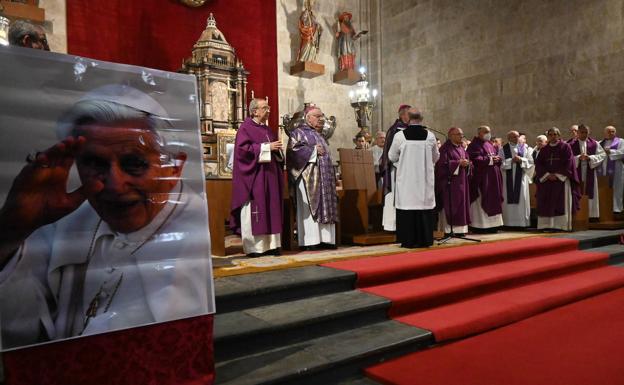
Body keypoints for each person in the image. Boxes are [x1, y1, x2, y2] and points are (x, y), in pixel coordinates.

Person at [0, 85, 212, 349]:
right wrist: (10, 233)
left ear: (173, 169)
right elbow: (22, 331)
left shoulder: (189, 227)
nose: (114, 184)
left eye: (134, 163)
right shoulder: (64, 218)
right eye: (96, 164)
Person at [230, 98, 284, 257]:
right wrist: (267, 147)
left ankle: (272, 245)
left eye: (268, 107)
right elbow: (242, 151)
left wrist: (278, 150)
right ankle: (255, 248)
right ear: (254, 111)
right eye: (264, 108)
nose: (268, 110)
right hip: (255, 177)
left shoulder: (268, 130)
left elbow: (276, 150)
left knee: (271, 208)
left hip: (270, 175)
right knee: (257, 209)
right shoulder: (245, 128)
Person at [287, 106, 338, 250]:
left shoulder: (320, 135)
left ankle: (326, 239)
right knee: (309, 209)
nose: (321, 119)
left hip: (325, 179)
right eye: (317, 116)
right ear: (308, 117)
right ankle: (310, 240)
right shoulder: (298, 133)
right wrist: (313, 150)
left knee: (326, 206)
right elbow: (293, 152)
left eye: (321, 116)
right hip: (308, 178)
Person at [388, 108, 439, 248]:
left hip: (407, 180)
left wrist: (402, 162)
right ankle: (425, 239)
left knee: (407, 207)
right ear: (421, 119)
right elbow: (436, 157)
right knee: (423, 207)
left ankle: (408, 240)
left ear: (408, 118)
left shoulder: (400, 136)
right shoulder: (430, 136)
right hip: (424, 180)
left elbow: (391, 156)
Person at [535, 127, 580, 231]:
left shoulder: (565, 147)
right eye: (550, 134)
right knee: (546, 201)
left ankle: (560, 226)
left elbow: (569, 162)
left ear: (558, 135)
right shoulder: (544, 149)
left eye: (555, 134)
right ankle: (546, 225)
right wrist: (547, 175)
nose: (553, 136)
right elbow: (539, 164)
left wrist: (557, 175)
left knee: (560, 201)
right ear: (548, 136)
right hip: (547, 181)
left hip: (561, 180)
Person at [467, 126, 504, 232]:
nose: (489, 134)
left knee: (494, 199)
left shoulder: (489, 144)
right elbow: (474, 159)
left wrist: (497, 159)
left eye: (489, 132)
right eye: (486, 132)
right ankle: (481, 226)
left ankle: (494, 225)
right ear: (479, 133)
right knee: (481, 200)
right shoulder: (474, 145)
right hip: (482, 179)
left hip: (493, 178)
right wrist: (490, 159)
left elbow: (494, 157)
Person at [380, 104, 410, 231]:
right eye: (410, 113)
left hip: (408, 170)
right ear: (402, 115)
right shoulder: (395, 130)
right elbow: (390, 152)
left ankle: (404, 223)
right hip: (396, 169)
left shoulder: (411, 129)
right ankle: (392, 225)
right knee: (394, 196)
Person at [436, 127, 471, 235]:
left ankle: (461, 230)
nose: (461, 136)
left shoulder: (461, 148)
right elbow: (440, 166)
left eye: (462, 134)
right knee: (451, 206)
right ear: (451, 135)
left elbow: (469, 161)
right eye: (458, 134)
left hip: (462, 182)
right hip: (449, 185)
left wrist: (468, 164)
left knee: (462, 205)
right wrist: (457, 164)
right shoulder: (444, 149)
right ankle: (448, 230)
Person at [499, 130, 534, 227]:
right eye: (514, 137)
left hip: (521, 179)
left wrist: (521, 160)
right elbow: (499, 164)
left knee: (522, 198)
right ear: (509, 138)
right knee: (507, 199)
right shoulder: (502, 150)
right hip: (507, 180)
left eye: (518, 136)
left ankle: (522, 223)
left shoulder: (525, 148)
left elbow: (531, 162)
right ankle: (508, 223)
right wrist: (511, 161)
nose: (517, 138)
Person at [570, 124, 605, 219]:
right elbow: (567, 158)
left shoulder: (594, 143)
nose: (584, 134)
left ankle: (591, 215)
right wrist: (578, 158)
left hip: (590, 170)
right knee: (577, 191)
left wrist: (590, 157)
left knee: (590, 191)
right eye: (582, 132)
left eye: (586, 132)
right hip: (577, 171)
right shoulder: (571, 144)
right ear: (577, 132)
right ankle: (578, 216)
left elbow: (602, 155)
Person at [598, 126, 624, 213]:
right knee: (604, 188)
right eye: (608, 131)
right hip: (603, 170)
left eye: (612, 131)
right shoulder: (600, 143)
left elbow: (622, 152)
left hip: (617, 170)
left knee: (617, 189)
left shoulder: (621, 141)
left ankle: (617, 209)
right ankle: (604, 209)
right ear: (604, 133)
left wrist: (611, 152)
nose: (611, 133)